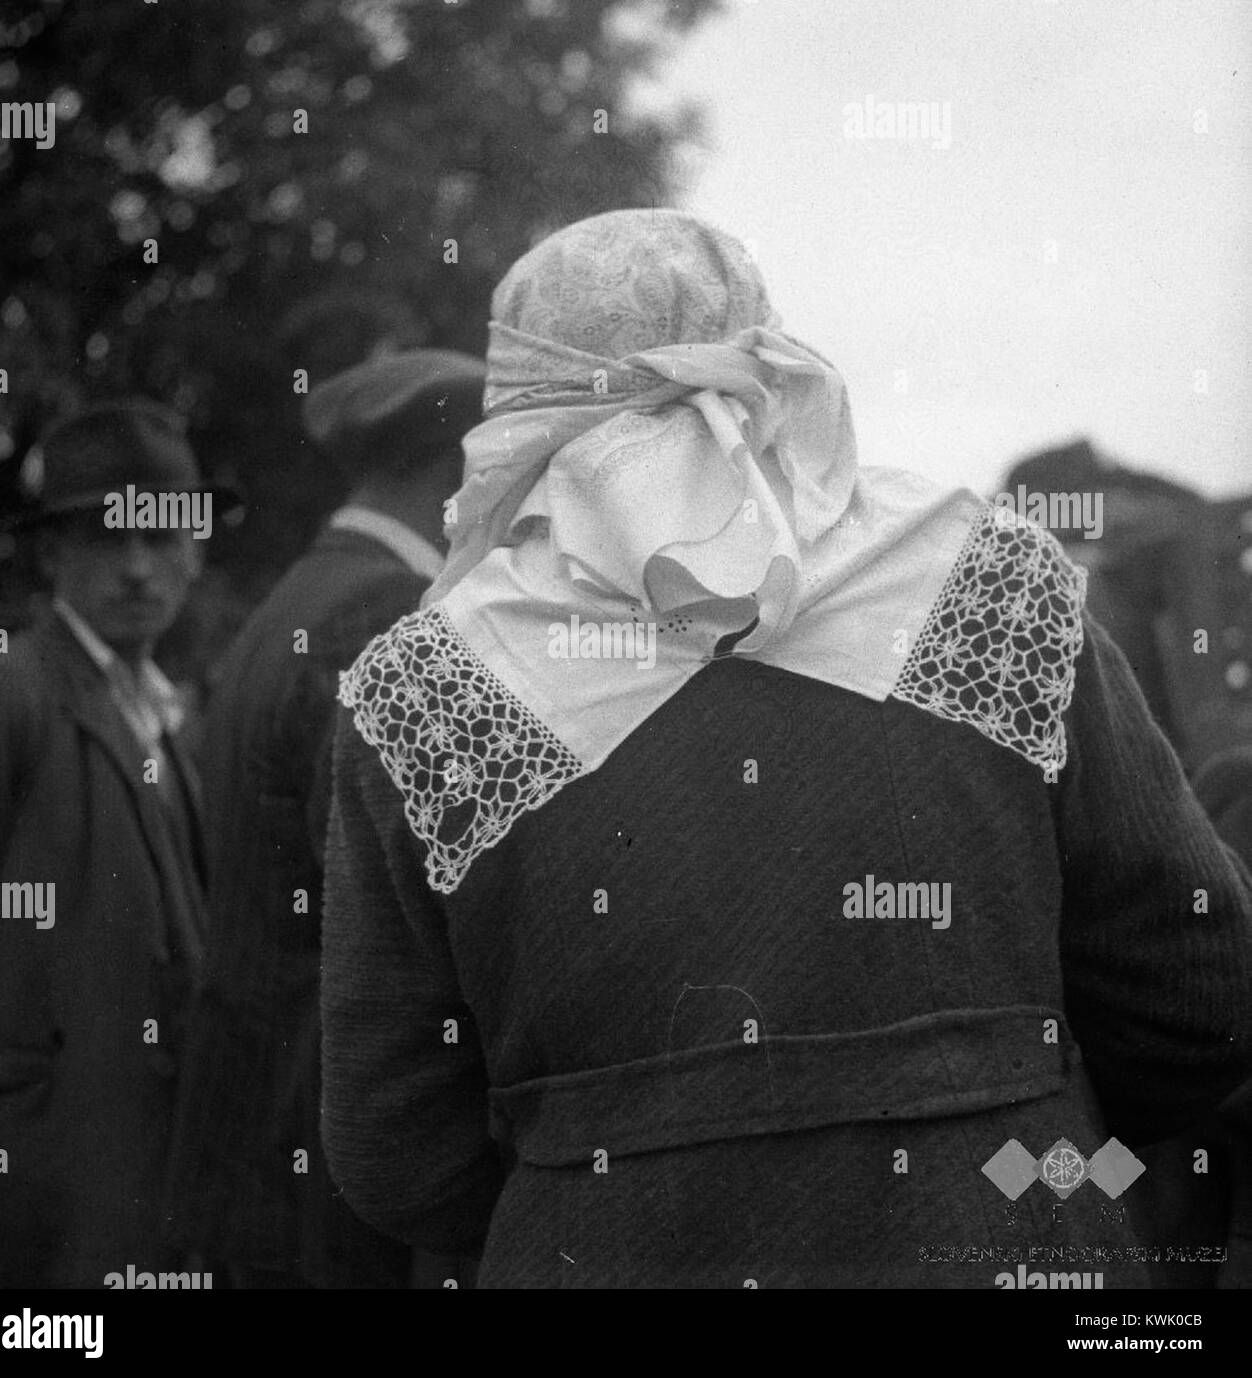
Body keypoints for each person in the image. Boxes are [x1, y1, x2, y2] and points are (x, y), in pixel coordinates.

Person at [319, 209, 1252, 1288]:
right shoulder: (990, 582)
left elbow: (395, 1152)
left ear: (518, 404)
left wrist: (620, 1181)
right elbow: (1200, 995)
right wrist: (1002, 1130)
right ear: (768, 356)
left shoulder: (423, 686)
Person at [167, 346, 484, 1287]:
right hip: (325, 1162)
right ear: (456, 470)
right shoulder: (385, 615)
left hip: (255, 1130)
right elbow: (405, 925)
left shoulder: (300, 599)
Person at [0, 399, 223, 1287]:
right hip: (31, 1202)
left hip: (151, 1192)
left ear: (196, 550)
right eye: (110, 539)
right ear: (52, 553)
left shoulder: (176, 718)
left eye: (162, 538)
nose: (140, 568)